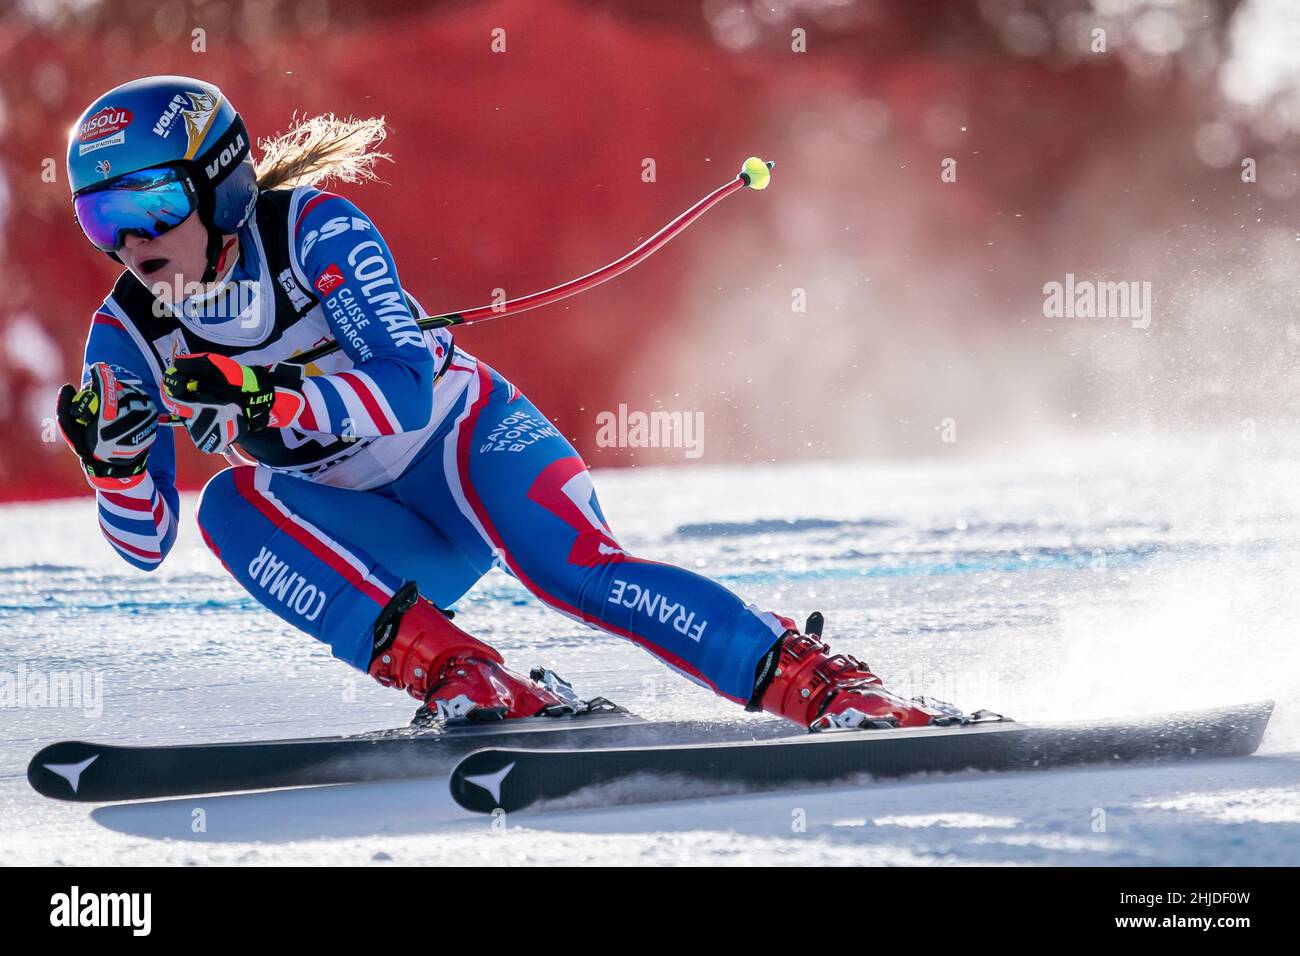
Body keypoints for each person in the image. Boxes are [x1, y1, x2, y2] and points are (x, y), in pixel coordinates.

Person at [57, 74, 957, 731]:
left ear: (221, 188)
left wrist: (265, 395)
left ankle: (818, 684)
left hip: (466, 449)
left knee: (578, 576)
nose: (132, 243)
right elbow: (144, 548)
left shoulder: (313, 232)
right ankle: (464, 678)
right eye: (102, 221)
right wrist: (114, 465)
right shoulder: (128, 332)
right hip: (386, 537)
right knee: (229, 505)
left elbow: (406, 392)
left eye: (152, 204)